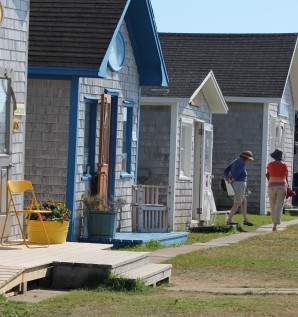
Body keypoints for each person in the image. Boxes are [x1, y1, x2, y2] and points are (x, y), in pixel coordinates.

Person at [224, 150, 254, 226]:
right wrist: (232, 179)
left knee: (244, 201)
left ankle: (245, 219)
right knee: (237, 202)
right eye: (249, 160)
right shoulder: (242, 163)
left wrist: (227, 178)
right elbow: (237, 174)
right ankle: (229, 219)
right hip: (239, 184)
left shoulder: (235, 161)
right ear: (246, 158)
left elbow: (226, 170)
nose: (249, 161)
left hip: (237, 184)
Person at [266, 149, 288, 231]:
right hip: (282, 185)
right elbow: (286, 176)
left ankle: (274, 223)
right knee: (279, 205)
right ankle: (275, 225)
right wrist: (288, 186)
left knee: (272, 205)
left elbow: (268, 175)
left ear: (274, 157)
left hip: (271, 185)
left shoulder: (270, 165)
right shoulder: (285, 165)